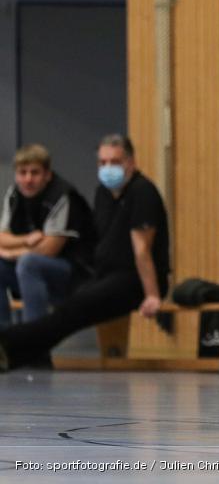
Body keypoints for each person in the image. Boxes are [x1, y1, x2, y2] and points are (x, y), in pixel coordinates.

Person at [0, 135, 169, 369]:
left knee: (74, 309)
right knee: (69, 309)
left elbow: (142, 248)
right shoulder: (103, 194)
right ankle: (16, 351)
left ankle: (11, 345)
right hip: (103, 276)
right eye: (103, 162)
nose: (108, 168)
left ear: (131, 162)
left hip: (134, 280)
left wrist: (152, 295)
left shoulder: (143, 192)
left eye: (115, 162)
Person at [0, 144, 95, 327]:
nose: (28, 179)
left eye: (34, 173)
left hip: (75, 276)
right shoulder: (14, 194)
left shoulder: (62, 196)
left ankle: (35, 345)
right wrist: (26, 240)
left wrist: (11, 252)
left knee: (29, 263)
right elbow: (2, 237)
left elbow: (48, 250)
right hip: (32, 272)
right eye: (22, 172)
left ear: (47, 175)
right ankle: (4, 343)